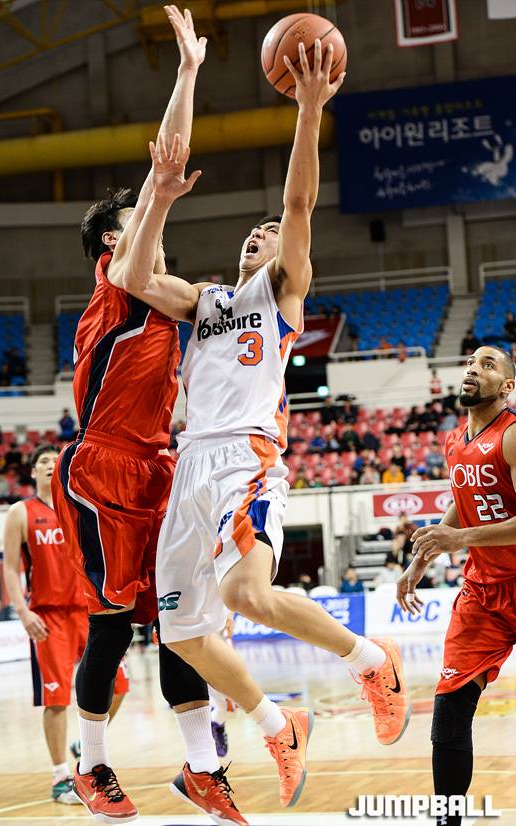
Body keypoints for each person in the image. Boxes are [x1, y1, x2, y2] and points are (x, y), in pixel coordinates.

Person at [127, 42, 410, 811]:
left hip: (246, 458)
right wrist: (159, 197)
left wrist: (309, 111)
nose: (261, 233)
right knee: (182, 633)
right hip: (190, 466)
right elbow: (136, 276)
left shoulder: (281, 295)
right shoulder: (206, 301)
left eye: (269, 231)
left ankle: (368, 658)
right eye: (251, 232)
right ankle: (279, 725)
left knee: (248, 595)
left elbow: (298, 207)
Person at [51, 11, 245, 826]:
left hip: (161, 466)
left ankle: (203, 769)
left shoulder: (167, 298)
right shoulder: (115, 283)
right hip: (101, 467)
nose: (153, 220)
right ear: (110, 238)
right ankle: (90, 766)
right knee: (107, 625)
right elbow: (164, 169)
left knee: (178, 621)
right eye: (134, 217)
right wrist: (186, 79)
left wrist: (192, 71)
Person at [397, 345, 516, 826]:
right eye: (470, 362)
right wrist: (421, 559)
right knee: (449, 706)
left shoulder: (512, 436)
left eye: (487, 365)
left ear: (507, 387)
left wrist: (460, 539)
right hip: (484, 593)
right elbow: (463, 501)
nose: (473, 368)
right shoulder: (455, 440)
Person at [3, 444, 130, 805]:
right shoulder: (20, 512)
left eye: (52, 461)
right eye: (41, 461)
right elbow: (10, 567)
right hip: (49, 616)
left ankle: (86, 746)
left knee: (119, 686)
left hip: (89, 612)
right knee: (56, 698)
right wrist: (23, 612)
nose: (48, 465)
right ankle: (61, 776)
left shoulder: (75, 504)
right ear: (32, 472)